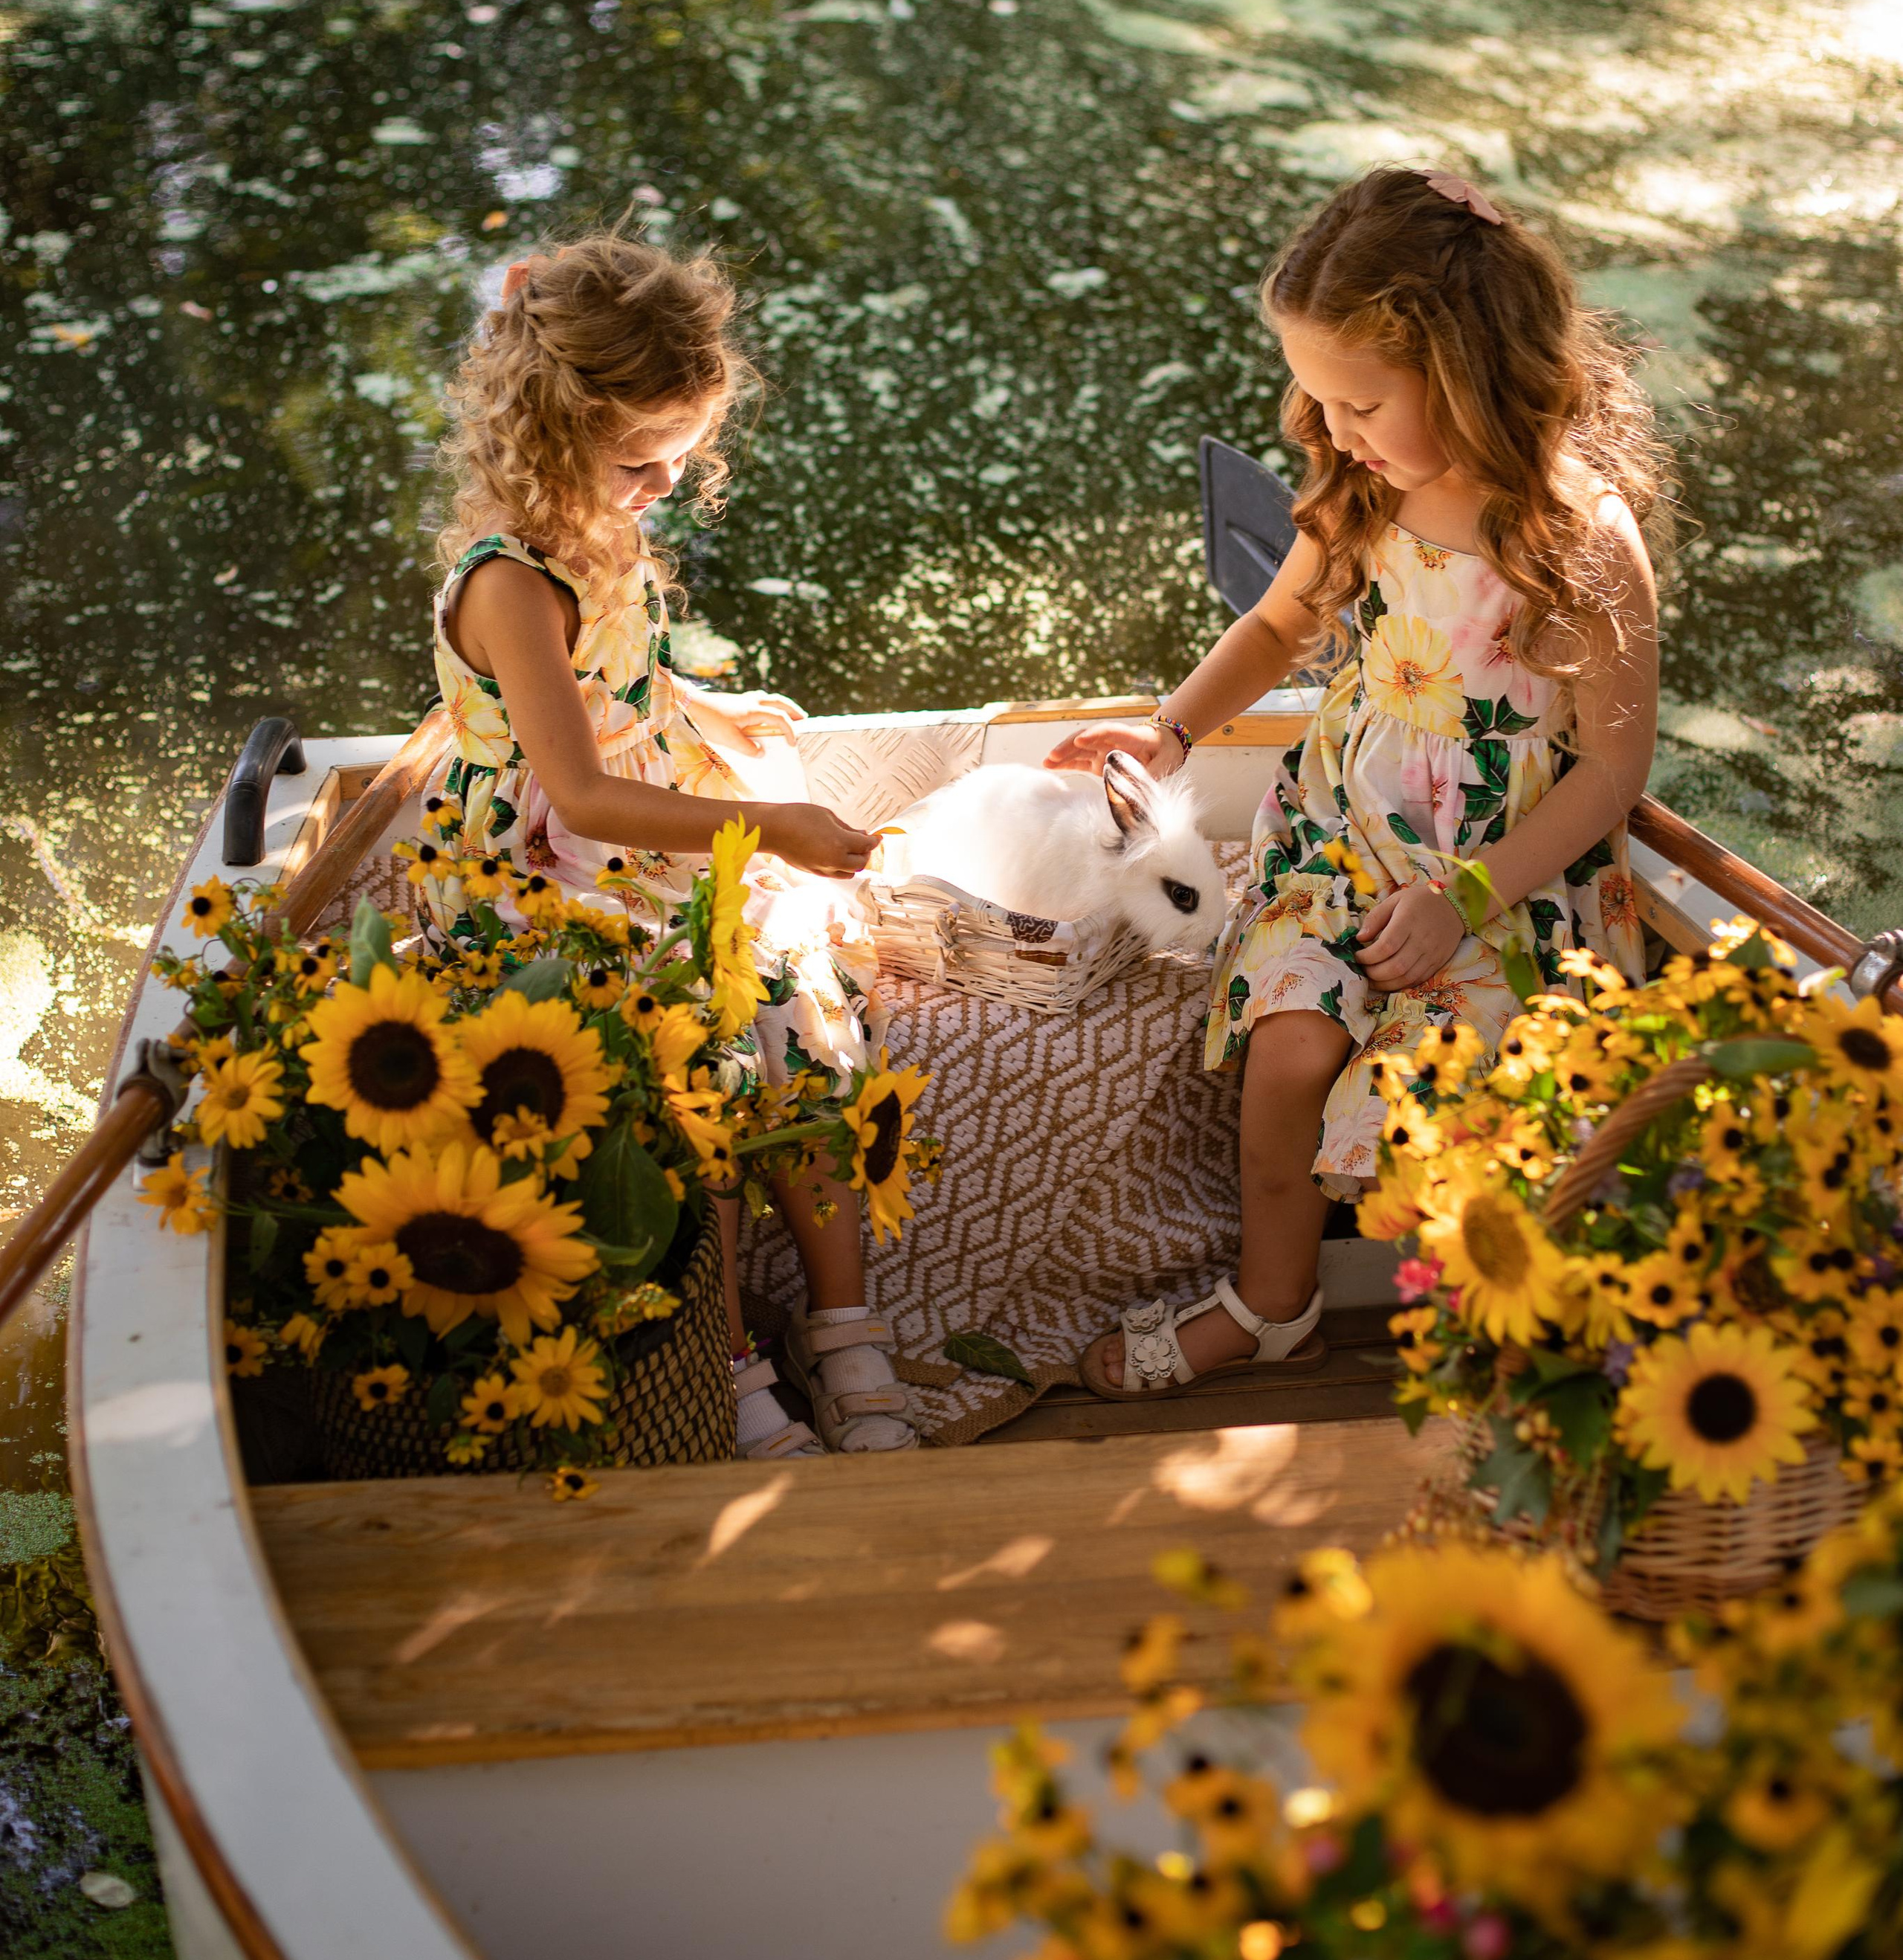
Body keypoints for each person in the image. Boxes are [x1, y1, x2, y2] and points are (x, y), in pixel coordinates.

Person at [1048, 167, 1665, 1399]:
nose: (1328, 430)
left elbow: (1611, 768)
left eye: (1359, 400)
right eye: (1319, 399)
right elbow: (1277, 630)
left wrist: (1467, 898)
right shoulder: (1364, 488)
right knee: (1283, 1060)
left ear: (1467, 368)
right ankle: (1274, 1307)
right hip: (1343, 841)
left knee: (1422, 1122)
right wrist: (1169, 734)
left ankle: (1502, 1343)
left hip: (1497, 884)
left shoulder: (1579, 541)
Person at [433, 229, 917, 1456]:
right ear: (551, 428)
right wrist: (772, 827)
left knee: (800, 1028)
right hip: (548, 871)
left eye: (676, 463)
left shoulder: (604, 528)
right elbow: (580, 792)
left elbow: (629, 683)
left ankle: (846, 1326)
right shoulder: (511, 584)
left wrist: (712, 712)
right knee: (675, 1074)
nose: (656, 489)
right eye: (639, 463)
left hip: (641, 825)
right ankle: (729, 1358)